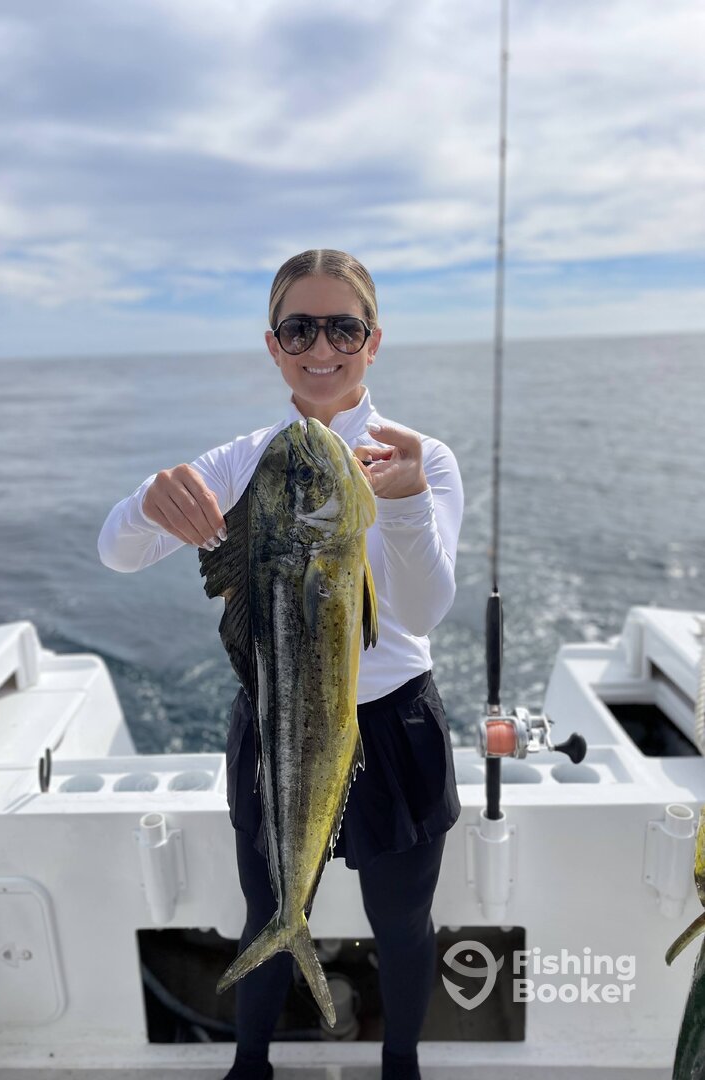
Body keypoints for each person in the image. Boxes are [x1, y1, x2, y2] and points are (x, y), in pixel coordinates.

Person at [98, 249, 463, 1080]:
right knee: (267, 906)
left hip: (395, 722)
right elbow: (119, 551)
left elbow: (419, 613)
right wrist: (146, 502)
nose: (321, 346)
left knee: (403, 921)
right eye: (299, 328)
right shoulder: (243, 460)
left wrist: (406, 504)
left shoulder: (418, 458)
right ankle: (249, 1064)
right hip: (277, 717)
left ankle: (400, 1064)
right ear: (273, 344)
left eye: (344, 328)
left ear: (374, 340)